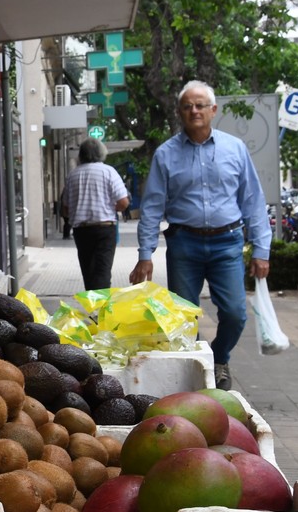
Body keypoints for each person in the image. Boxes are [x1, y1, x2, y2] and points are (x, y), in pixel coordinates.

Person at [128, 80, 271, 390]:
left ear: (213, 110)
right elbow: (152, 206)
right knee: (183, 319)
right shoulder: (166, 154)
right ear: (180, 112)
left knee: (235, 314)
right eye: (187, 106)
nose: (194, 110)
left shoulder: (235, 149)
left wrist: (262, 249)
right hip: (184, 244)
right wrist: (145, 254)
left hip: (227, 243)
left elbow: (253, 201)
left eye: (200, 105)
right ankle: (195, 371)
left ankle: (219, 358)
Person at [61, 138, 130, 291]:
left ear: (81, 154)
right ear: (101, 153)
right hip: (105, 229)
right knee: (102, 270)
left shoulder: (72, 175)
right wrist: (109, 207)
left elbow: (65, 208)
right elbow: (123, 202)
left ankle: (93, 306)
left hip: (81, 230)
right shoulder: (109, 172)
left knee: (88, 271)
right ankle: (101, 309)